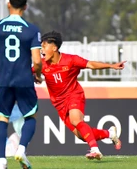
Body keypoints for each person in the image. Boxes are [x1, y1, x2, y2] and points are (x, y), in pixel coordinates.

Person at [0, 0, 42, 169]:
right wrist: (37, 74)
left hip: (4, 81)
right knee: (30, 116)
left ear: (8, 4)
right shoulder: (32, 29)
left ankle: (1, 161)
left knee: (2, 119)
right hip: (24, 81)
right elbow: (37, 60)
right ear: (25, 7)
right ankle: (21, 149)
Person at [37, 31, 124, 160]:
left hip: (74, 95)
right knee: (81, 135)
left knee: (76, 120)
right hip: (59, 104)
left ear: (54, 48)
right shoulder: (42, 64)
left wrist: (111, 66)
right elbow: (25, 72)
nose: (41, 50)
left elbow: (91, 64)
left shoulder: (71, 60)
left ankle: (95, 149)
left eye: (44, 46)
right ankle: (109, 133)